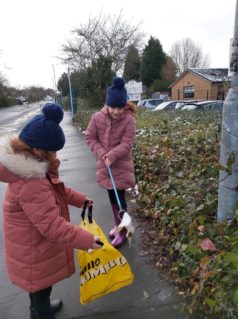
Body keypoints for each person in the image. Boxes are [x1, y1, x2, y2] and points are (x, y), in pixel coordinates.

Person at [0, 103, 101, 319]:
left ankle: (37, 310)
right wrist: (87, 240)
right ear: (39, 150)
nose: (56, 155)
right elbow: (52, 226)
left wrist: (81, 200)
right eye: (53, 150)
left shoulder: (33, 169)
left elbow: (57, 190)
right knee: (39, 291)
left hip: (33, 247)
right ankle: (39, 312)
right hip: (33, 251)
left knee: (38, 290)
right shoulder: (30, 181)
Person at [85, 76, 136, 247]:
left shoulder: (129, 120)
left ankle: (123, 230)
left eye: (120, 107)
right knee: (112, 198)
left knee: (120, 200)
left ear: (124, 105)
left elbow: (127, 143)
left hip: (121, 166)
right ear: (107, 104)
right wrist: (102, 154)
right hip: (105, 167)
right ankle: (119, 225)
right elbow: (90, 137)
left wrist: (111, 156)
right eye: (113, 107)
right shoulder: (96, 117)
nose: (116, 111)